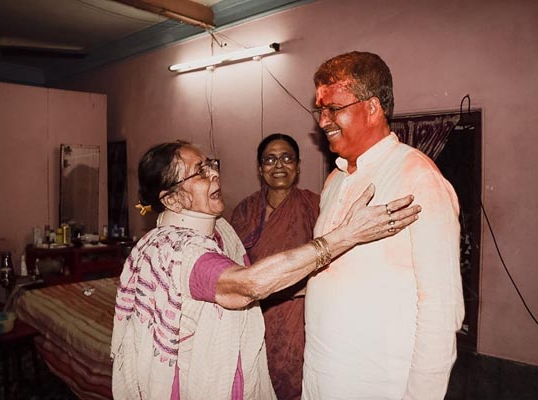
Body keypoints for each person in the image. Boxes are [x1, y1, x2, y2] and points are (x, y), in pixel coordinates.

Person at [111, 141, 421, 399]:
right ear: (173, 199)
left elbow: (261, 283)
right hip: (197, 381)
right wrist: (346, 235)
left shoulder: (221, 231)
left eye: (210, 165)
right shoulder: (176, 250)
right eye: (200, 172)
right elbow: (250, 284)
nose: (214, 174)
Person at [302, 51, 465, 400]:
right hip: (320, 377)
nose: (323, 121)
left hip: (379, 385)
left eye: (333, 108)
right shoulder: (335, 180)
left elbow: (440, 309)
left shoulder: (418, 178)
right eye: (320, 110)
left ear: (373, 107)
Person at [231, 133, 318, 400]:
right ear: (260, 168)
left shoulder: (315, 206)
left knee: (295, 381)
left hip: (299, 315)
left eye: (286, 158)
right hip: (253, 313)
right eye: (270, 159)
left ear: (298, 166)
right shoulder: (245, 211)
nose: (278, 165)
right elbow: (232, 264)